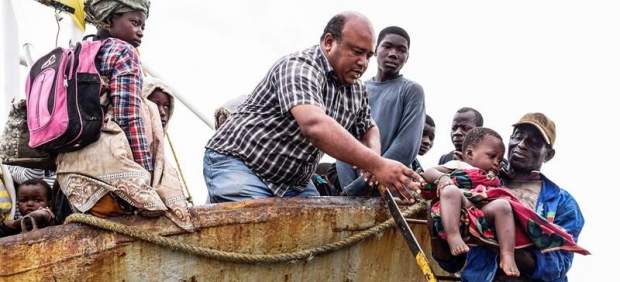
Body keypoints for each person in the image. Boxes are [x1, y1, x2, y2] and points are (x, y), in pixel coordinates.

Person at [204, 12, 423, 203]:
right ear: (329, 42)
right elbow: (314, 126)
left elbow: (368, 128)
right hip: (239, 163)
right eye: (356, 52)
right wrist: (378, 164)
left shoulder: (356, 89)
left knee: (321, 235)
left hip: (292, 182)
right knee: (264, 229)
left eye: (368, 55)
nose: (363, 62)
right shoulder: (299, 67)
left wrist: (372, 160)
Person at [55, 0, 193, 231]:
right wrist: (146, 174)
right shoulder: (123, 52)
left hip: (71, 175)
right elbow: (128, 116)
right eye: (134, 22)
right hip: (111, 176)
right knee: (145, 108)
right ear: (109, 20)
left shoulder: (79, 52)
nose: (140, 31)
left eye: (143, 26)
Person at [431, 113, 587, 282]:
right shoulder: (478, 183)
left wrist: (495, 242)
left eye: (533, 142)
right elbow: (450, 263)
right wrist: (437, 226)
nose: (521, 145)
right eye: (518, 137)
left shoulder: (563, 204)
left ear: (548, 154)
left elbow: (557, 267)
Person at [337, 26, 426, 197]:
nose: (393, 54)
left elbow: (406, 146)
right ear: (375, 50)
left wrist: (361, 186)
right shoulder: (356, 88)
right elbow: (342, 139)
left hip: (387, 189)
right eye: (387, 46)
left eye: (401, 50)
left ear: (407, 57)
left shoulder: (411, 91)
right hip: (349, 191)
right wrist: (349, 188)